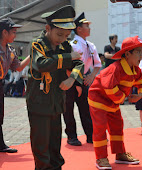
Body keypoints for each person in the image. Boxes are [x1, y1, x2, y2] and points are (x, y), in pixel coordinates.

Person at [26, 6, 84, 169]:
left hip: (57, 102)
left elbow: (78, 62)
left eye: (66, 35)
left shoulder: (64, 46)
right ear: (47, 28)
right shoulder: (38, 44)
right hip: (39, 102)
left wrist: (72, 79)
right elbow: (41, 64)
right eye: (59, 34)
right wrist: (67, 57)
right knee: (41, 144)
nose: (62, 39)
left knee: (55, 142)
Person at [88, 36, 142, 169]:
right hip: (98, 99)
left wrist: (139, 95)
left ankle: (120, 154)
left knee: (117, 126)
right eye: (138, 52)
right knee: (100, 128)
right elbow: (108, 86)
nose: (141, 56)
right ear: (127, 54)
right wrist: (123, 98)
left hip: (112, 101)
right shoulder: (115, 68)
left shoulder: (135, 70)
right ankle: (101, 158)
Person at [63, 12, 102, 146]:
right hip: (71, 79)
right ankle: (71, 136)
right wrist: (78, 81)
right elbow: (71, 65)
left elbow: (97, 64)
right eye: (86, 26)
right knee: (68, 109)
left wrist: (92, 76)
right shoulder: (73, 44)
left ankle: (91, 136)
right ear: (79, 29)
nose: (89, 28)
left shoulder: (91, 45)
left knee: (86, 109)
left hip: (85, 80)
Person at [0, 18, 30, 153]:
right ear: (4, 32)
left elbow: (17, 68)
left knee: (0, 116)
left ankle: (0, 145)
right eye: (13, 32)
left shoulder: (10, 50)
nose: (15, 35)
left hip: (0, 84)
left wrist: (32, 54)